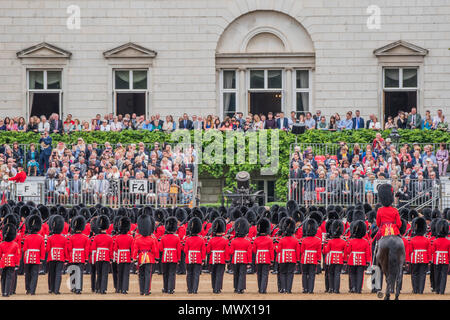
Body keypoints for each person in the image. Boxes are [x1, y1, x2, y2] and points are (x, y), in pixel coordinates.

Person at [345, 220, 371, 293]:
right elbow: (367, 253)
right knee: (360, 275)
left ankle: (353, 287)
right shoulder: (366, 241)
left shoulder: (351, 241)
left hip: (352, 260)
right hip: (362, 260)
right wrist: (368, 261)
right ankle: (358, 289)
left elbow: (348, 251)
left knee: (352, 274)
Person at [23, 214, 45, 295]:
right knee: (35, 274)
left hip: (28, 257)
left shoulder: (27, 237)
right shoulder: (41, 238)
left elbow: (25, 249)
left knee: (27, 274)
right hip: (36, 257)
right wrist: (42, 259)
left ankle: (28, 289)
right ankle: (32, 291)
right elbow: (43, 249)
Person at [276, 217, 300, 294]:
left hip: (283, 258)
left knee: (282, 273)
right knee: (290, 274)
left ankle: (283, 288)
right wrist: (297, 260)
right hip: (292, 258)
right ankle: (288, 289)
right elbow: (297, 251)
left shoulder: (282, 240)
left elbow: (278, 250)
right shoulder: (295, 240)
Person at [67, 215, 89, 294]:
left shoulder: (71, 237)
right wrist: (86, 258)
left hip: (73, 256)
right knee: (79, 273)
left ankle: (73, 287)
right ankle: (78, 289)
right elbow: (86, 249)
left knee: (73, 271)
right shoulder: (85, 237)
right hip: (82, 256)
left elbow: (69, 249)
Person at [229, 217, 251, 294]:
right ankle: (240, 288)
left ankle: (235, 287)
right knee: (242, 273)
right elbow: (249, 253)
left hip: (235, 259)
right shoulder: (247, 241)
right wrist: (249, 262)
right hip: (244, 259)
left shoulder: (233, 241)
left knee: (236, 273)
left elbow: (231, 252)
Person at [91, 215, 112, 294]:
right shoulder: (109, 237)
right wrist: (110, 258)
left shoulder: (96, 237)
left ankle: (97, 288)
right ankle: (103, 289)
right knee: (104, 274)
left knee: (99, 273)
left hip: (98, 257)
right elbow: (111, 249)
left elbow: (93, 248)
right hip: (106, 256)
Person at [206, 218, 229, 294]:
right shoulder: (225, 240)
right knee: (220, 274)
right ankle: (217, 288)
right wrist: (227, 260)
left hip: (213, 259)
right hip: (221, 259)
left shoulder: (211, 240)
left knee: (214, 273)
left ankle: (214, 288)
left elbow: (208, 251)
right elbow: (227, 251)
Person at [183, 217, 205, 294]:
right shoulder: (201, 239)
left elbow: (185, 250)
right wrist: (203, 259)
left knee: (189, 274)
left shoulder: (188, 239)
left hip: (189, 258)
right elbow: (203, 250)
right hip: (198, 258)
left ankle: (189, 289)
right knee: (196, 274)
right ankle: (195, 289)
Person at [323, 220, 346, 294]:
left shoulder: (330, 241)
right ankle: (336, 289)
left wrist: (324, 245)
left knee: (331, 273)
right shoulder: (343, 241)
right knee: (337, 274)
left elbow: (325, 251)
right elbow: (345, 251)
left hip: (331, 259)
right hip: (339, 259)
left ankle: (331, 288)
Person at [409, 217, 431, 294]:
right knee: (422, 274)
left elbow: (410, 251)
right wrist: (429, 260)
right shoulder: (427, 240)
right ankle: (421, 290)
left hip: (414, 258)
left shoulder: (412, 239)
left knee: (414, 274)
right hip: (424, 258)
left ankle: (415, 290)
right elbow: (429, 251)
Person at [159, 216, 181, 294]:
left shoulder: (163, 237)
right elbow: (179, 250)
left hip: (165, 257)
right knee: (172, 273)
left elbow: (161, 249)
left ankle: (165, 288)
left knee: (165, 273)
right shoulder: (177, 238)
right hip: (174, 257)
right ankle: (170, 289)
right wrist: (178, 259)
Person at [46, 215, 66, 295]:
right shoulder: (63, 238)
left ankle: (51, 289)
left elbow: (47, 249)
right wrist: (66, 258)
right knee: (58, 273)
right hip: (60, 257)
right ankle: (56, 290)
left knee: (51, 273)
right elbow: (65, 249)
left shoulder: (50, 238)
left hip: (51, 256)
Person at [252, 218, 273, 294]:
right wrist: (272, 260)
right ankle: (263, 289)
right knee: (265, 274)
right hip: (266, 258)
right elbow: (271, 250)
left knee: (259, 274)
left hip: (258, 258)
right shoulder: (269, 240)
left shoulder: (256, 240)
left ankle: (260, 288)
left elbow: (254, 250)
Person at [113, 216, 133, 294]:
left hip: (120, 256)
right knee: (126, 274)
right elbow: (132, 248)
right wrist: (132, 257)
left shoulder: (117, 238)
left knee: (119, 273)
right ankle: (124, 289)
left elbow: (115, 249)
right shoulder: (130, 238)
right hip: (127, 256)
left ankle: (118, 288)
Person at [300, 219, 321, 293]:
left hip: (305, 259)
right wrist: (319, 260)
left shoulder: (304, 240)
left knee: (304, 274)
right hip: (314, 259)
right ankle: (310, 289)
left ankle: (305, 289)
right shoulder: (318, 240)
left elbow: (302, 251)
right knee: (312, 274)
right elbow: (319, 252)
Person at [0, 223, 20, 297]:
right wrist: (17, 263)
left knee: (3, 277)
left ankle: (3, 292)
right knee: (9, 277)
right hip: (11, 262)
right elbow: (17, 256)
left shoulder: (1, 244)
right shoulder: (15, 244)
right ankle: (7, 292)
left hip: (3, 262)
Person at [431, 219, 450, 294]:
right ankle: (442, 291)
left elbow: (433, 251)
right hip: (445, 259)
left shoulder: (435, 241)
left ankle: (437, 290)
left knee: (437, 274)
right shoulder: (448, 241)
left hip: (437, 259)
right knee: (443, 275)